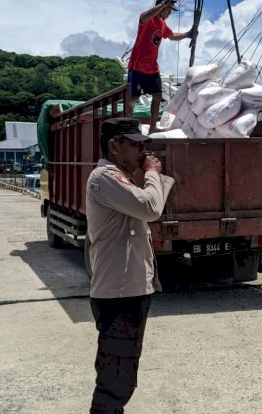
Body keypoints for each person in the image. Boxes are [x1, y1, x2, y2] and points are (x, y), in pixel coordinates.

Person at [85, 117, 175, 413]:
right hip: (119, 294)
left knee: (121, 374)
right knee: (116, 381)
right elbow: (150, 208)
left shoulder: (120, 178)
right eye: (135, 145)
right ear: (114, 146)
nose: (142, 152)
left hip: (129, 291)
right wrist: (153, 174)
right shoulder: (105, 178)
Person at [128, 0, 193, 132]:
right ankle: (127, 123)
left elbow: (172, 36)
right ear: (161, 6)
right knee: (134, 97)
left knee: (157, 96)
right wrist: (163, 4)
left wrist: (188, 34)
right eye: (169, 9)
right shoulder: (148, 19)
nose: (169, 13)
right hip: (137, 66)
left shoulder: (162, 25)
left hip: (152, 68)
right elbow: (143, 17)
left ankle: (152, 127)